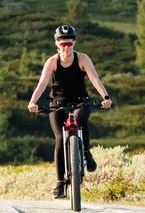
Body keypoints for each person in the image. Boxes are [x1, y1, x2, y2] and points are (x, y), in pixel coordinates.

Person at [27, 23, 112, 199]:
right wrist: (33, 102)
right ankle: (59, 184)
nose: (66, 47)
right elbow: (42, 84)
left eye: (69, 44)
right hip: (57, 103)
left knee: (81, 120)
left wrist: (105, 97)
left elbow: (95, 79)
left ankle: (86, 154)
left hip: (80, 101)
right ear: (57, 44)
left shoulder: (82, 59)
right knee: (59, 138)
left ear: (74, 43)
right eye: (63, 44)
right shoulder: (52, 62)